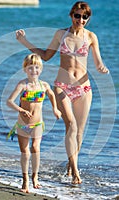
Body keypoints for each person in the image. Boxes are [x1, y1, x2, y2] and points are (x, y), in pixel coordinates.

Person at [15, 1, 109, 184]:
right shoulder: (61, 34)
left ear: (88, 19)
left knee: (79, 132)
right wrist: (24, 41)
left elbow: (98, 62)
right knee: (71, 126)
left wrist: (102, 68)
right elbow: (45, 56)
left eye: (84, 17)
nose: (80, 20)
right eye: (77, 15)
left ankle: (71, 162)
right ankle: (75, 171)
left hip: (84, 88)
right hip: (62, 86)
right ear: (71, 15)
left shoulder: (91, 37)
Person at [6, 53, 61, 193]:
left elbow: (52, 94)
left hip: (37, 124)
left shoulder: (44, 85)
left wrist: (55, 109)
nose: (34, 71)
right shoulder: (23, 85)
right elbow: (9, 101)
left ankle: (35, 176)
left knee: (35, 149)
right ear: (25, 69)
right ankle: (25, 180)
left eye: (37, 67)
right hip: (22, 124)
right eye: (30, 68)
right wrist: (21, 110)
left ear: (41, 69)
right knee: (25, 152)